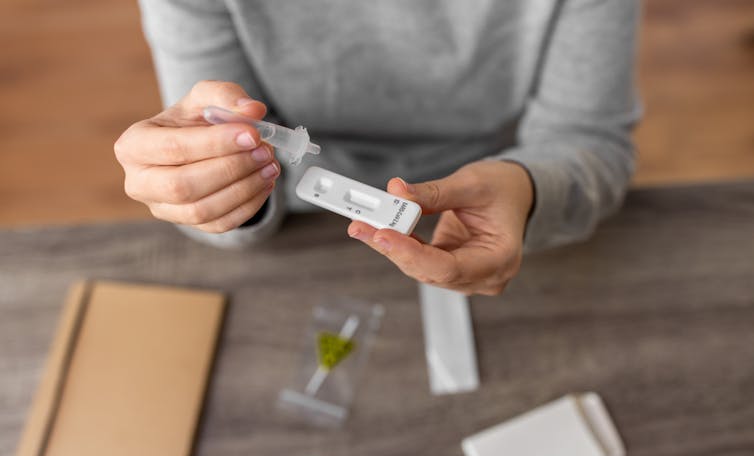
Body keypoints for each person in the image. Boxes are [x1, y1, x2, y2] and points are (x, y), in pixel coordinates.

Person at [115, 0, 641, 296]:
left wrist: (529, 188)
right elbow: (213, 157)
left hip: (493, 206)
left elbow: (590, 141)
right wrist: (220, 194)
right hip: (301, 224)